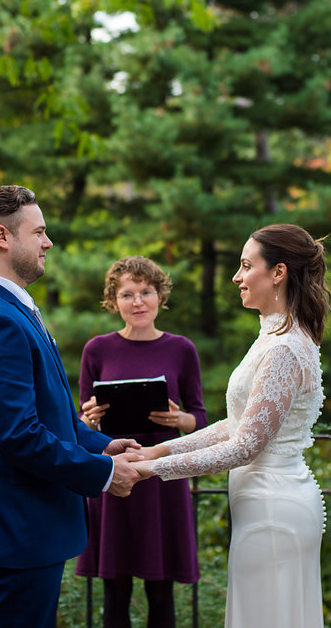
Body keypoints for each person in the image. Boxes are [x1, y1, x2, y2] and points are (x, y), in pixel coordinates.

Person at [0, 185, 143, 628]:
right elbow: (18, 435)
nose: (47, 242)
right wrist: (104, 475)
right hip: (16, 528)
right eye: (39, 232)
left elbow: (47, 415)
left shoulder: (12, 309)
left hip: (27, 527)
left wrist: (102, 445)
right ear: (2, 237)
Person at [133, 224, 331, 628]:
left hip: (274, 510)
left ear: (278, 272)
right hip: (262, 503)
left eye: (245, 266)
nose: (236, 277)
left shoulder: (284, 348)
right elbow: (238, 424)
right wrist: (162, 449)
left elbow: (245, 446)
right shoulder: (272, 335)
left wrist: (151, 470)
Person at [75, 256, 208, 628]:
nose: (137, 301)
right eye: (127, 294)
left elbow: (200, 418)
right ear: (112, 301)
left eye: (146, 292)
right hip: (116, 477)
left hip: (162, 478)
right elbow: (82, 426)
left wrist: (177, 418)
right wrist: (88, 419)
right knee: (114, 592)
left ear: (160, 296)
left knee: (161, 592)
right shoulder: (96, 350)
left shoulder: (182, 349)